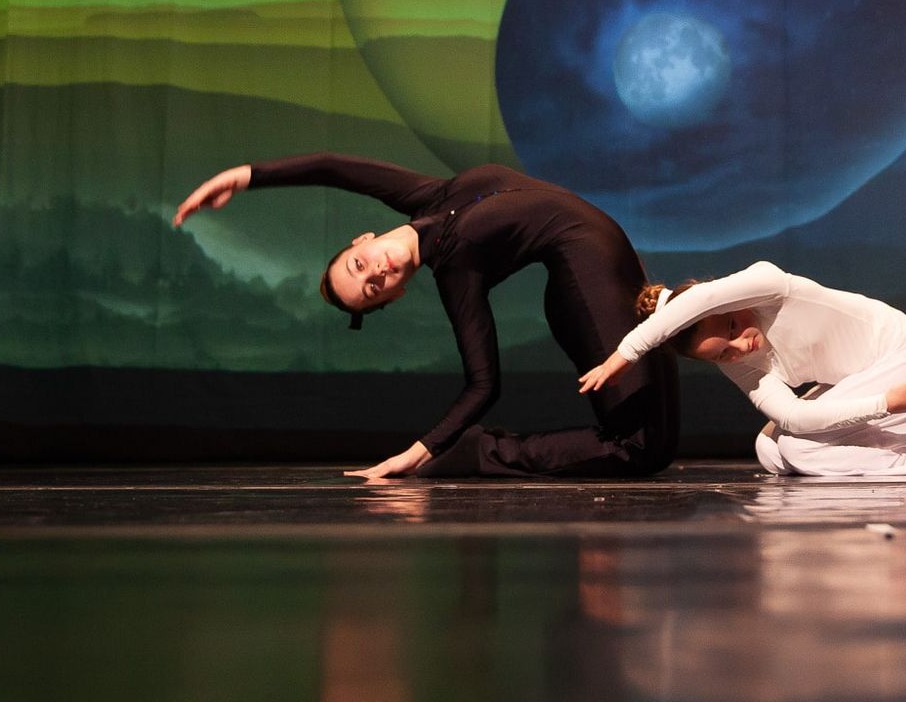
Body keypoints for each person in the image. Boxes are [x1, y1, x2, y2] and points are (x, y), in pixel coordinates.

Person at [173, 154, 678, 480]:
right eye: (373, 288)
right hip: (585, 286)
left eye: (360, 264)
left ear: (362, 240)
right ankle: (480, 452)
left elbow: (333, 169)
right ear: (393, 295)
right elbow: (483, 383)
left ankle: (477, 451)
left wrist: (245, 176)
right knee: (644, 448)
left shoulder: (428, 197)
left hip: (608, 262)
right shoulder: (456, 268)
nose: (376, 271)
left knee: (652, 441)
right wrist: (422, 450)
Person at [577, 260, 906, 477]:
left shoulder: (769, 284)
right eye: (724, 353)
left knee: (800, 448)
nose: (741, 347)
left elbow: (699, 300)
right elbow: (793, 415)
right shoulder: (739, 363)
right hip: (875, 388)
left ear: (725, 304)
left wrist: (626, 353)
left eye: (732, 325)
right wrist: (880, 402)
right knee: (771, 447)